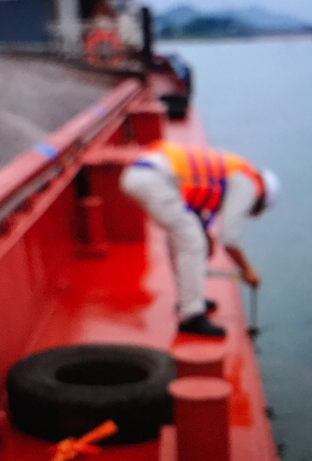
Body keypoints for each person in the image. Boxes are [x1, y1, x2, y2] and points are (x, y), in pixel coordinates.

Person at [120, 142, 281, 337]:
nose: (249, 211)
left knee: (185, 238)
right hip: (155, 180)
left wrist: (205, 234)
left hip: (145, 175)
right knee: (191, 241)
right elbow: (229, 238)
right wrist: (247, 270)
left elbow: (195, 196)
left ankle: (189, 301)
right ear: (262, 197)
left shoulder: (236, 174)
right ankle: (192, 315)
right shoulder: (248, 184)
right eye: (255, 209)